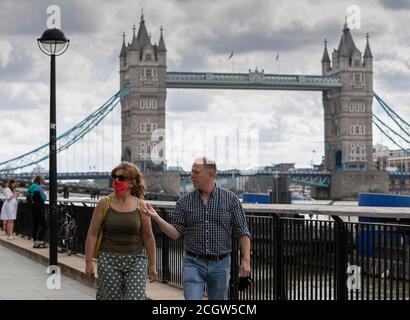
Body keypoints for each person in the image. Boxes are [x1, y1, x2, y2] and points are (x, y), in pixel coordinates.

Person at [142, 156, 251, 300]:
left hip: (221, 264)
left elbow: (242, 230)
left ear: (210, 174)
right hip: (193, 263)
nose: (191, 175)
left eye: (196, 172)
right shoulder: (184, 202)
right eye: (191, 171)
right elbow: (175, 234)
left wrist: (246, 260)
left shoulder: (231, 199)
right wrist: (156, 218)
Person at [84, 161, 158, 300]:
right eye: (114, 177)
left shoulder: (140, 205)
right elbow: (92, 234)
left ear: (132, 182)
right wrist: (88, 262)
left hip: (135, 260)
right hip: (109, 259)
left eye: (121, 178)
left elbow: (148, 237)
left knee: (135, 297)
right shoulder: (104, 203)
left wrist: (153, 265)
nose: (116, 180)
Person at [27, 175, 47, 248]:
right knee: (44, 225)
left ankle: (35, 242)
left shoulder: (31, 186)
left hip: (32, 207)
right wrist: (45, 195)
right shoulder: (38, 187)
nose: (43, 181)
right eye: (43, 179)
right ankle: (39, 241)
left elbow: (28, 196)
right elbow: (43, 198)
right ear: (40, 180)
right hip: (39, 207)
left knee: (35, 225)